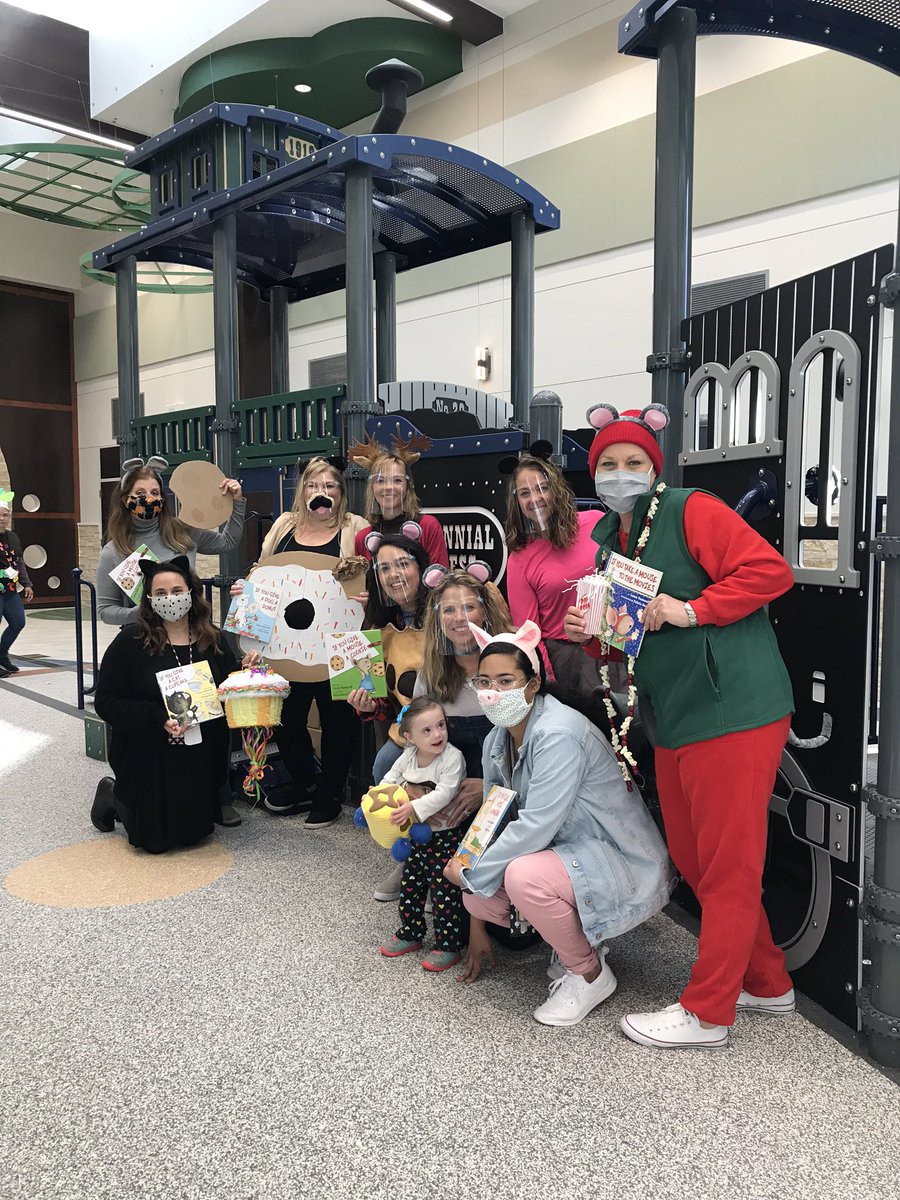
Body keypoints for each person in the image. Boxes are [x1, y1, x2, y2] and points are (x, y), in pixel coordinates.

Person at [563, 402, 796, 1050]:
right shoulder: (612, 542)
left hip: (732, 706)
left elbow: (769, 572)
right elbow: (627, 639)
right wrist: (595, 638)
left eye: (633, 461)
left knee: (727, 866)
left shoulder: (691, 509)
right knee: (696, 859)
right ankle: (768, 983)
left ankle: (709, 1012)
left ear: (655, 467)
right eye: (607, 464)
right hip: (675, 713)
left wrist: (691, 610)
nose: (619, 474)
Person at [443, 619, 672, 1028]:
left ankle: (589, 974)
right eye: (484, 681)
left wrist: (473, 870)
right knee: (477, 895)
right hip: (566, 854)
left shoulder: (558, 733)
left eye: (506, 680)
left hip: (617, 859)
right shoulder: (500, 737)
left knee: (521, 876)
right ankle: (574, 941)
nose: (493, 691)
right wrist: (471, 895)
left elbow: (536, 824)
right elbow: (493, 815)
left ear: (533, 685)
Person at [361, 566, 512, 903]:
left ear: (486, 610)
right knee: (390, 763)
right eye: (449, 609)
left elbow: (527, 747)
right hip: (448, 767)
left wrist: (487, 786)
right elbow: (418, 738)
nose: (460, 618)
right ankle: (417, 857)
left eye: (469, 606)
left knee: (484, 892)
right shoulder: (433, 669)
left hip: (502, 772)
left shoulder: (510, 659)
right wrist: (413, 786)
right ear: (438, 618)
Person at [236, 457, 368, 827]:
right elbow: (262, 575)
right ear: (302, 490)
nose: (321, 492)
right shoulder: (284, 527)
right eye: (313, 485)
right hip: (286, 644)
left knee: (339, 719)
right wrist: (246, 596)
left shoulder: (355, 527)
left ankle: (329, 796)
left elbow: (371, 576)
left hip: (340, 641)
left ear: (341, 493)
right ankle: (306, 782)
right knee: (286, 718)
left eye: (330, 486)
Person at [92, 556, 245, 854]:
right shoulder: (130, 642)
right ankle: (113, 795)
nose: (170, 599)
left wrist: (248, 674)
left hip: (197, 755)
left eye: (177, 590)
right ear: (149, 600)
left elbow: (228, 687)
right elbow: (106, 702)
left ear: (191, 592)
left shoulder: (212, 639)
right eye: (160, 594)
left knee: (193, 836)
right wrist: (156, 717)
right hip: (147, 755)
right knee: (153, 844)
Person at [504, 452, 605, 711]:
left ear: (556, 489)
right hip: (566, 660)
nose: (535, 498)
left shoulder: (594, 522)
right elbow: (529, 630)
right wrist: (548, 678)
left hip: (611, 644)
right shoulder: (520, 557)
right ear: (516, 501)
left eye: (542, 488)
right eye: (525, 493)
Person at [97, 456, 246, 627]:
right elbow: (105, 611)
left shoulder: (184, 532)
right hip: (144, 638)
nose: (149, 498)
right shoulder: (114, 551)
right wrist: (146, 611)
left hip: (190, 630)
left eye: (155, 493)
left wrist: (237, 502)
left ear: (162, 497)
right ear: (125, 499)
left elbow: (227, 542)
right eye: (140, 493)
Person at [377, 697, 467, 971]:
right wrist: (377, 797)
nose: (437, 734)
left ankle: (449, 944)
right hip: (414, 837)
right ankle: (411, 932)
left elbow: (445, 793)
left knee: (444, 893)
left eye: (441, 725)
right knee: (411, 885)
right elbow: (389, 779)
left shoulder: (452, 758)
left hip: (444, 836)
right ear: (410, 737)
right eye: (426, 730)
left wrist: (413, 808)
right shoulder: (408, 757)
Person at [348, 436, 449, 567]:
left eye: (397, 480)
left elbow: (441, 582)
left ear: (407, 487)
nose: (389, 487)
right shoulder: (363, 538)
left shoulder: (427, 527)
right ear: (372, 487)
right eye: (381, 480)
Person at [0, 494, 33, 677]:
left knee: (18, 622)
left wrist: (26, 584)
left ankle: (2, 655)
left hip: (10, 591)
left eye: (5, 515)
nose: (2, 518)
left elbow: (19, 562)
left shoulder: (12, 537)